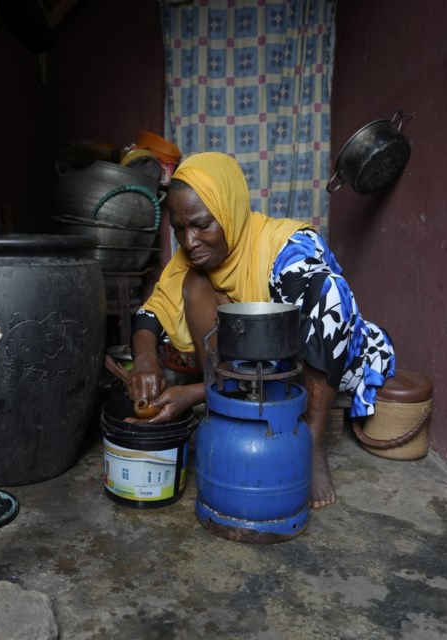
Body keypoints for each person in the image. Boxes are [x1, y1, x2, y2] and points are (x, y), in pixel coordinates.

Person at [125, 152, 395, 509]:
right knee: (193, 283)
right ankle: (221, 403)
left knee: (327, 292)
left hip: (314, 363)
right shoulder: (190, 260)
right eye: (179, 228)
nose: (189, 242)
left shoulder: (285, 246)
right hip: (246, 371)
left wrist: (190, 393)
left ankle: (311, 443)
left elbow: (329, 308)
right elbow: (151, 314)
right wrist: (144, 362)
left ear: (230, 212)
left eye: (202, 225)